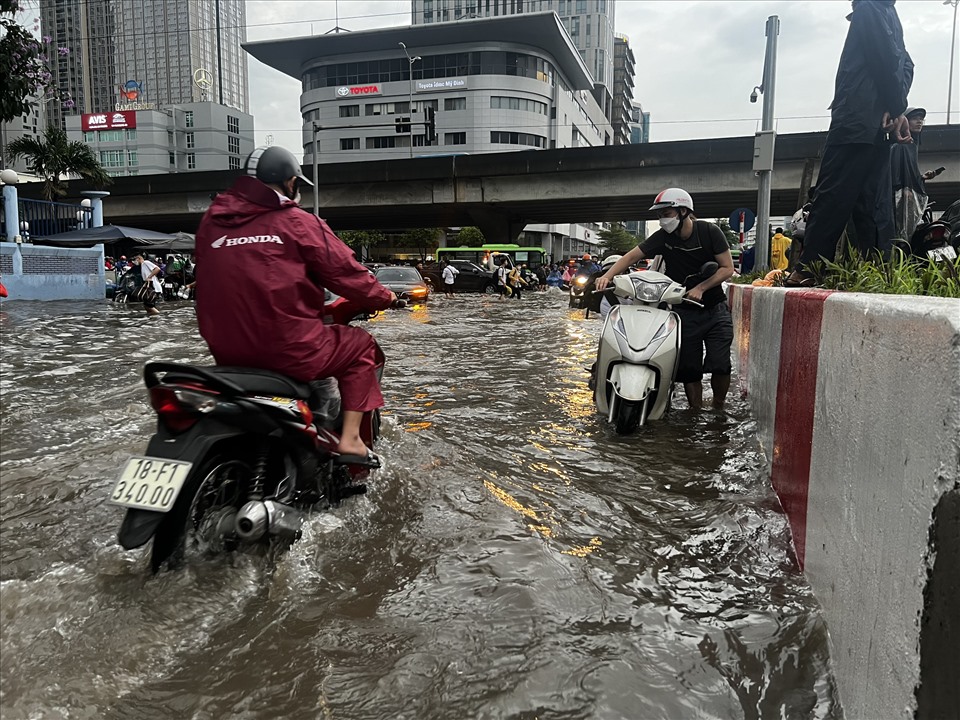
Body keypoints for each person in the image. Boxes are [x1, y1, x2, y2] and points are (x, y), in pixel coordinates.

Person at [195, 145, 397, 463]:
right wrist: (385, 297)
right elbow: (347, 273)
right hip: (290, 349)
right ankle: (352, 441)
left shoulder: (210, 224)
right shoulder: (298, 222)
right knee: (361, 347)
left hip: (226, 353)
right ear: (291, 184)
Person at [787, 0, 914, 287]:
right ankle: (878, 271)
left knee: (833, 194)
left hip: (855, 118)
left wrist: (895, 108)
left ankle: (810, 269)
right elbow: (904, 64)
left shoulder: (869, 8)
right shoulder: (890, 14)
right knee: (872, 202)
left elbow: (884, 59)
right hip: (876, 124)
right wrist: (896, 107)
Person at [595, 188, 735, 409]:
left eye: (667, 214)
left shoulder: (709, 232)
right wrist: (607, 275)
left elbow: (728, 268)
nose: (662, 220)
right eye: (660, 215)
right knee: (689, 370)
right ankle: (695, 412)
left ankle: (718, 407)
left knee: (720, 364)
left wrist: (701, 287)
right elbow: (632, 255)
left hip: (714, 309)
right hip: (684, 310)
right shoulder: (663, 238)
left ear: (683, 211)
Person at [890, 106, 934, 242]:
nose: (919, 122)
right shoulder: (901, 144)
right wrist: (903, 189)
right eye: (915, 119)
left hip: (909, 193)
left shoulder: (912, 145)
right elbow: (896, 170)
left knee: (909, 232)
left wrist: (921, 178)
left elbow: (909, 171)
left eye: (921, 119)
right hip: (903, 194)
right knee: (901, 233)